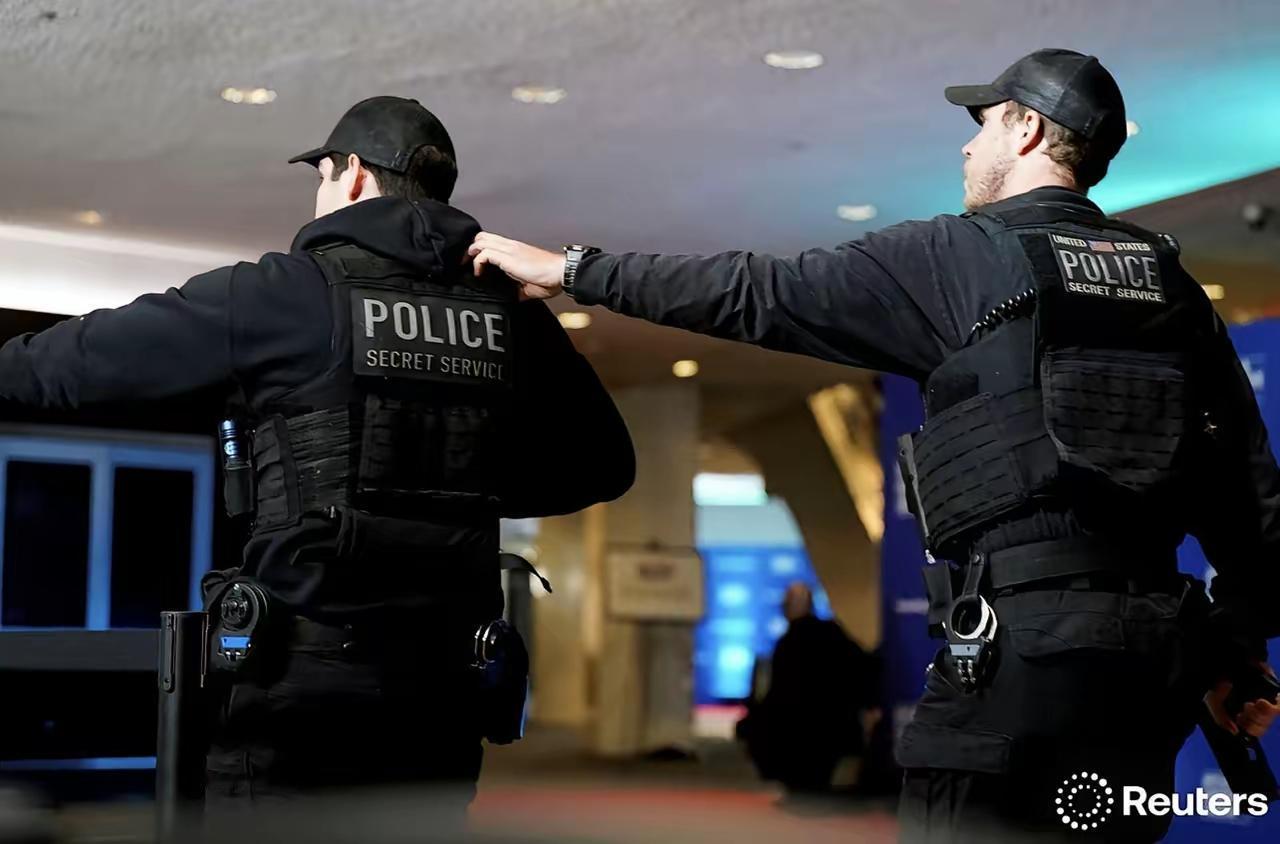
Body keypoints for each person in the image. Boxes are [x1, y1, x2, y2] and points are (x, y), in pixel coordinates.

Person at [467, 49, 1280, 840]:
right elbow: (1251, 494)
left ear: (1028, 129)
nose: (968, 148)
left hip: (1022, 654)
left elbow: (757, 293)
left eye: (985, 125)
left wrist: (575, 271)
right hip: (1153, 665)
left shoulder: (958, 256)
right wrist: (1236, 656)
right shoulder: (1169, 283)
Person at [0, 96, 635, 813]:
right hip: (445, 689)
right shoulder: (515, 315)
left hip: (299, 685)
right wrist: (460, 480)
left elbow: (71, 364)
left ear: (353, 173)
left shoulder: (282, 293)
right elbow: (606, 465)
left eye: (322, 176)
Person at [736, 582, 878, 797]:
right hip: (836, 728)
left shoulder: (788, 643)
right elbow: (864, 669)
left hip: (798, 733)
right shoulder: (833, 634)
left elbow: (777, 697)